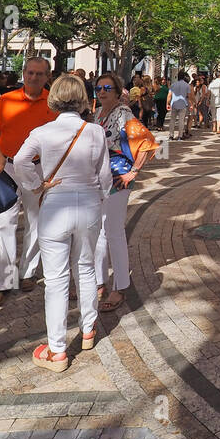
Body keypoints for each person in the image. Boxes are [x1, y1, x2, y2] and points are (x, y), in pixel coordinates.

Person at [10, 74, 111, 373]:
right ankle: (88, 328)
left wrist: (37, 184)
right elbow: (104, 176)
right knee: (86, 267)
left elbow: (19, 161)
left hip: (56, 203)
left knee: (55, 279)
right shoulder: (94, 131)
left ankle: (57, 350)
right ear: (82, 98)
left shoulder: (42, 131)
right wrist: (100, 197)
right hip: (89, 202)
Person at [0, 57, 57, 308]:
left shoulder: (53, 103)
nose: (34, 78)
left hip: (37, 168)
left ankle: (27, 272)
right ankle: (2, 283)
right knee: (2, 223)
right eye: (30, 73)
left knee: (36, 222)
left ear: (48, 76)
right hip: (5, 166)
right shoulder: (6, 100)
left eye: (39, 74)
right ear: (23, 74)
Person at [92, 73, 158, 313]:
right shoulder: (98, 113)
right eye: (98, 88)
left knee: (115, 232)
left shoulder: (123, 114)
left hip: (117, 177)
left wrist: (133, 172)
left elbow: (147, 143)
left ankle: (120, 286)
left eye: (107, 88)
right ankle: (99, 282)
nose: (101, 92)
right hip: (98, 178)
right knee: (99, 232)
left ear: (117, 90)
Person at [168, 70, 191, 140]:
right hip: (183, 104)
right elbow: (189, 96)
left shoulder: (173, 84)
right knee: (181, 120)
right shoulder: (187, 85)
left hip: (174, 104)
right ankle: (180, 136)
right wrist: (191, 104)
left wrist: (167, 103)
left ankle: (171, 135)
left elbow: (169, 95)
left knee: (172, 120)